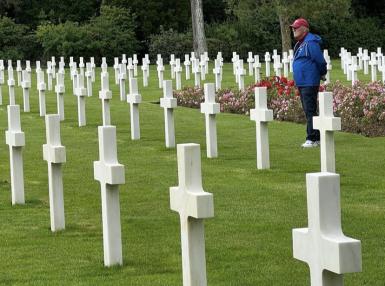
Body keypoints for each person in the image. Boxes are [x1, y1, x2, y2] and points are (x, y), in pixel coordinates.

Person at [290, 18, 327, 148]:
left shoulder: (310, 43)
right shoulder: (300, 43)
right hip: (302, 81)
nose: (293, 29)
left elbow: (320, 61)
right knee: (308, 110)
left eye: (296, 27)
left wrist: (322, 73)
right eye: (293, 27)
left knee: (310, 110)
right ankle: (316, 137)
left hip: (309, 81)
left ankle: (311, 138)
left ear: (304, 29)